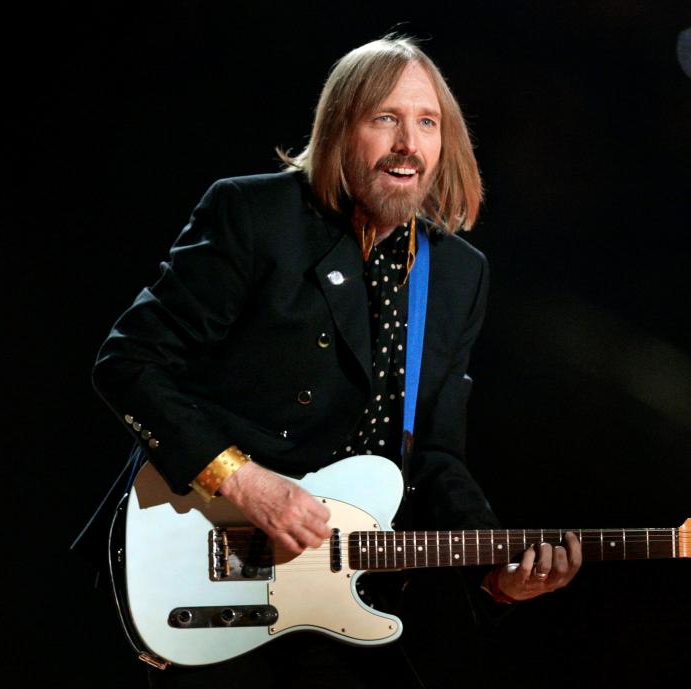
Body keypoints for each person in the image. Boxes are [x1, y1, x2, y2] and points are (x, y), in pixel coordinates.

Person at [88, 35, 582, 688]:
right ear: (339, 130)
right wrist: (241, 479)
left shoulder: (457, 274)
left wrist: (492, 568)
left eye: (426, 122)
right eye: (386, 118)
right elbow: (128, 362)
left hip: (333, 598)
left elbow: (433, 454)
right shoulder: (256, 214)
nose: (409, 142)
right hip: (210, 557)